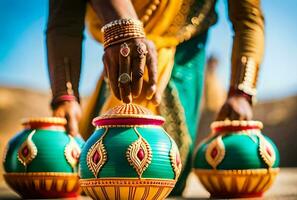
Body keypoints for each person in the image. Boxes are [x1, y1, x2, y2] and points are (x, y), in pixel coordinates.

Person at [46, 0, 264, 195]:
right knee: (94, 174)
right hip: (118, 54)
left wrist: (241, 92)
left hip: (184, 51)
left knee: (166, 174)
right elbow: (64, 20)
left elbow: (248, 16)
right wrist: (66, 96)